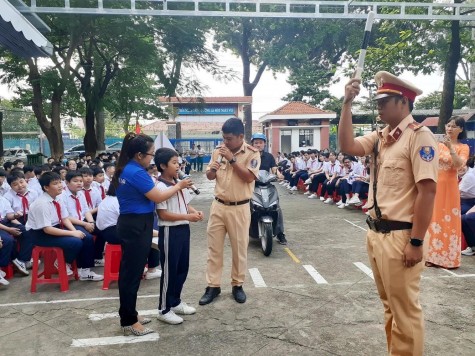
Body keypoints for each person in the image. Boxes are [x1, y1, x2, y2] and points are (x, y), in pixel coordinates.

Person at [339, 71, 438, 356]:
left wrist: (417, 242)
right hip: (376, 233)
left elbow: (427, 192)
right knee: (390, 307)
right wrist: (347, 104)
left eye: (385, 101)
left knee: (405, 311)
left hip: (401, 235)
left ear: (404, 102)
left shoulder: (420, 138)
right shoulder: (381, 137)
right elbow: (347, 146)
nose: (379, 106)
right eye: (377, 100)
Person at [112, 132, 193, 337]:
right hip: (136, 224)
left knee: (132, 272)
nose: (152, 158)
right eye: (150, 154)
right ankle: (128, 321)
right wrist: (178, 185)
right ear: (139, 155)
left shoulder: (130, 169)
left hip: (136, 223)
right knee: (131, 274)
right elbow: (158, 196)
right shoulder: (135, 172)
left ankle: (131, 314)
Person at [199, 118, 260, 306]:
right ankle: (213, 286)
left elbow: (249, 177)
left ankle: (237, 285)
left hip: (239, 207)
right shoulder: (218, 151)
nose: (226, 142)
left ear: (241, 137)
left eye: (230, 138)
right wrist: (212, 170)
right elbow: (209, 175)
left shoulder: (252, 153)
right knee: (214, 248)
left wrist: (232, 160)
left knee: (239, 249)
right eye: (224, 138)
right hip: (218, 205)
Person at [154, 148, 204, 324]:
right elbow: (163, 215)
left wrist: (194, 212)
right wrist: (187, 216)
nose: (178, 165)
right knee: (169, 271)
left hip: (183, 230)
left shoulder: (180, 183)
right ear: (162, 165)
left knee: (182, 268)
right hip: (170, 231)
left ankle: (175, 302)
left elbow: (185, 204)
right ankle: (163, 309)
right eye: (174, 163)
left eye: (179, 162)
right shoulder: (160, 187)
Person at [425, 116, 469, 268]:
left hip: (450, 188)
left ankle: (449, 259)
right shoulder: (437, 145)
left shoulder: (463, 147)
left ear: (461, 129)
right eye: (448, 125)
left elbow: (459, 165)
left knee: (449, 220)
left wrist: (450, 147)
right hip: (435, 184)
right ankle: (432, 256)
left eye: (454, 126)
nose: (450, 128)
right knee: (434, 218)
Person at [251, 133, 287, 245]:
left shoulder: (269, 157)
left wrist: (279, 175)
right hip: (252, 186)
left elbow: (274, 169)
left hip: (267, 185)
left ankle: (280, 233)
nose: (258, 145)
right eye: (256, 143)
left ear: (264, 144)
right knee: (246, 207)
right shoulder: (249, 156)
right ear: (252, 144)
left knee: (276, 207)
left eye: (260, 143)